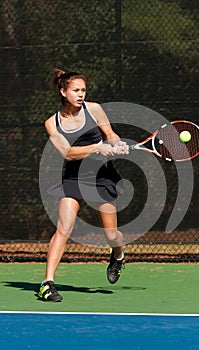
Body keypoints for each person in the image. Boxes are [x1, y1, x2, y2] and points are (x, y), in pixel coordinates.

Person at [38, 69, 129, 302]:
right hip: (74, 177)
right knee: (63, 228)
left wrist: (117, 144)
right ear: (63, 91)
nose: (80, 94)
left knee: (111, 235)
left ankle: (117, 255)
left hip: (102, 176)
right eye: (75, 90)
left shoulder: (94, 109)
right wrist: (97, 148)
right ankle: (47, 284)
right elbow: (68, 153)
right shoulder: (52, 123)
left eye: (83, 90)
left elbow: (110, 134)